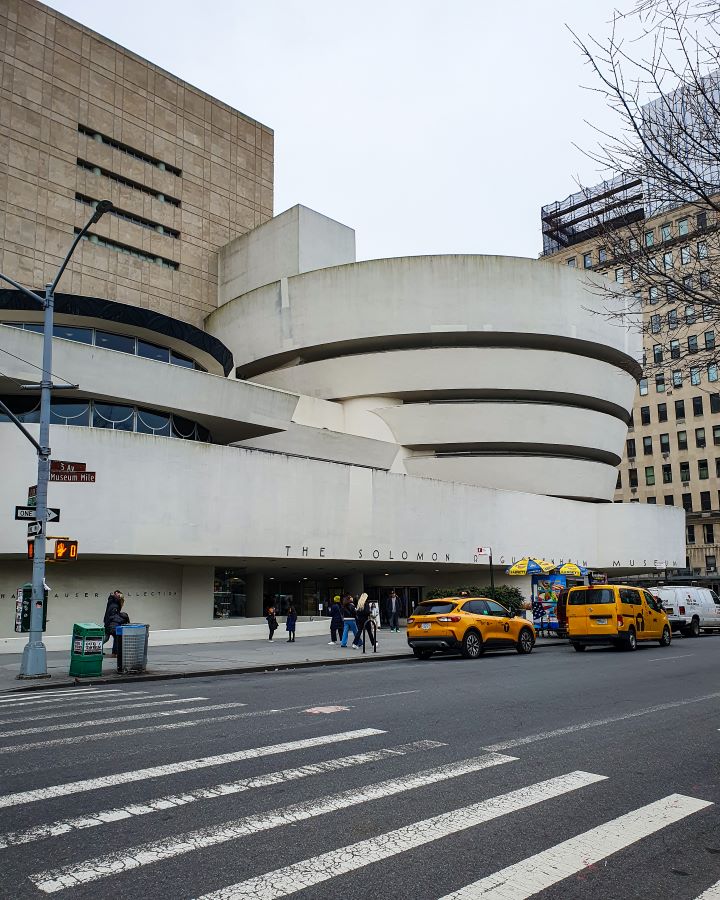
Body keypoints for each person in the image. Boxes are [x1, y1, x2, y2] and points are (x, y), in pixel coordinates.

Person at [103, 590, 129, 657]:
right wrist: (121, 616)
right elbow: (113, 615)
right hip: (111, 624)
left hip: (107, 622)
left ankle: (96, 649)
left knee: (107, 638)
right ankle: (114, 653)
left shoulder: (111, 602)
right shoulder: (115, 605)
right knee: (114, 637)